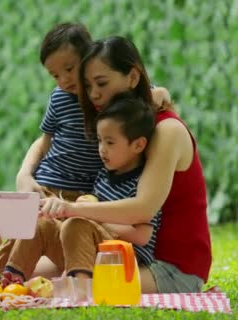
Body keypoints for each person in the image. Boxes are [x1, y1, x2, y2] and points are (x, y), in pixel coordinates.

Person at [0, 22, 170, 276]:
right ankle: (1, 278)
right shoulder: (59, 97)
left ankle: (79, 280)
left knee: (72, 236)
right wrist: (24, 174)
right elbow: (45, 140)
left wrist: (159, 91)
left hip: (83, 196)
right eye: (55, 75)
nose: (64, 79)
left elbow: (139, 91)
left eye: (70, 69)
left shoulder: (105, 96)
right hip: (47, 185)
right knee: (22, 237)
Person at [40, 36, 211, 293]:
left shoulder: (167, 130)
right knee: (24, 277)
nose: (94, 94)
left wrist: (71, 209)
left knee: (67, 287)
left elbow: (142, 209)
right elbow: (49, 136)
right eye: (87, 85)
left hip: (170, 267)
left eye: (102, 83)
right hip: (120, 251)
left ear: (132, 78)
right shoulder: (114, 127)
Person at [5, 93, 161, 280]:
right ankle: (10, 282)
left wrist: (89, 216)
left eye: (110, 142)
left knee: (77, 224)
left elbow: (142, 236)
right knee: (43, 225)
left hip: (120, 261)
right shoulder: (104, 174)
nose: (102, 149)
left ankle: (80, 289)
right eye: (99, 140)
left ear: (138, 145)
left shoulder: (142, 182)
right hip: (89, 251)